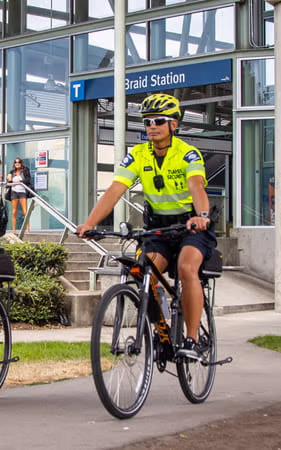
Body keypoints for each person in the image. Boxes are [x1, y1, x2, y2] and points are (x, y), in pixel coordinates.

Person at [75, 93, 216, 361]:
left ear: (174, 124)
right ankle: (161, 331)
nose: (152, 126)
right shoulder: (138, 154)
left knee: (187, 269)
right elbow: (115, 190)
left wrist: (202, 215)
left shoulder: (188, 153)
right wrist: (90, 224)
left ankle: (193, 339)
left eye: (159, 121)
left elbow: (196, 185)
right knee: (142, 272)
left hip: (191, 227)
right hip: (159, 231)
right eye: (147, 121)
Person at [6, 158, 31, 232]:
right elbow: (9, 182)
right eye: (15, 162)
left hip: (22, 192)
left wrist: (19, 181)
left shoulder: (25, 170)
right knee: (14, 212)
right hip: (14, 192)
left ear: (21, 163)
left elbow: (28, 180)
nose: (17, 163)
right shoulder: (12, 172)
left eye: (19, 162)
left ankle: (27, 228)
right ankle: (14, 230)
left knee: (25, 211)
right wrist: (9, 180)